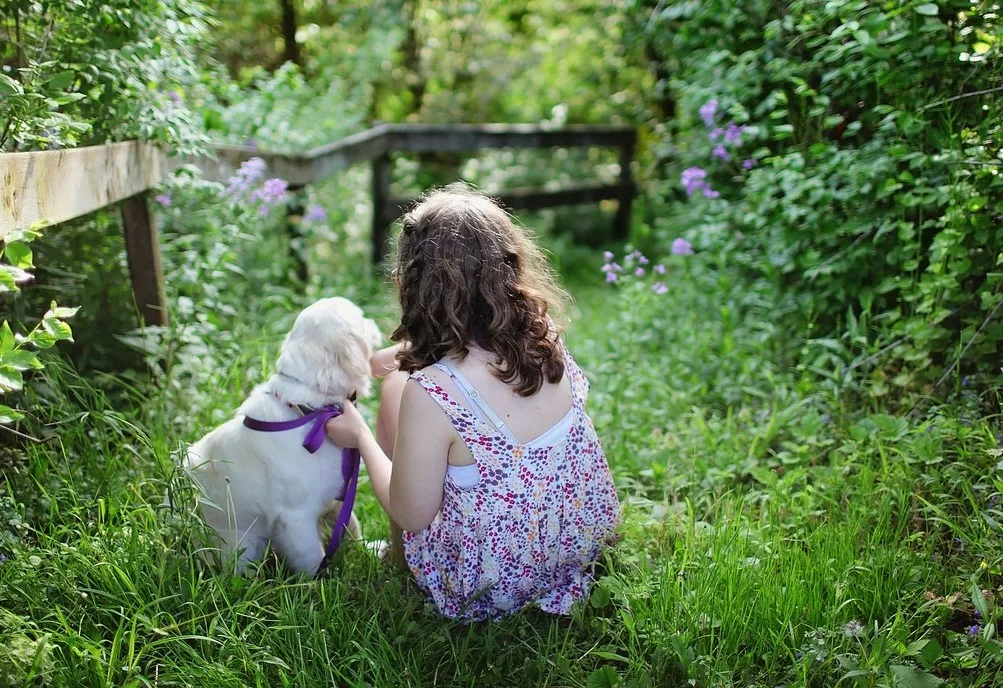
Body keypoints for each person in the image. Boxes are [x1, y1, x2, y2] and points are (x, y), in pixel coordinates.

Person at [324, 185, 620, 621]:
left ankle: (401, 561)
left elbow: (412, 513)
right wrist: (388, 358)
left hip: (490, 581)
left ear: (409, 285)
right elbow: (466, 361)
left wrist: (362, 438)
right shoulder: (543, 337)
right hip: (577, 545)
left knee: (394, 390)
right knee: (398, 379)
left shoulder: (431, 392)